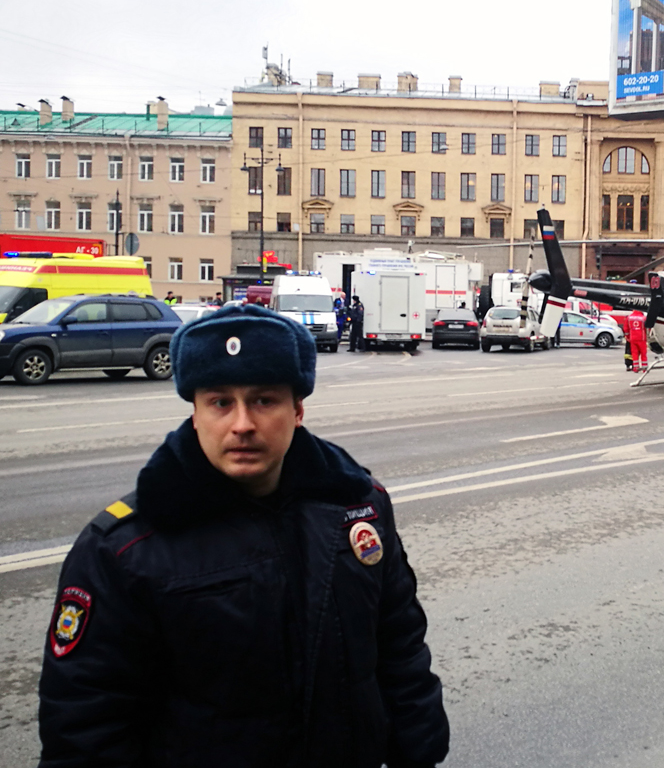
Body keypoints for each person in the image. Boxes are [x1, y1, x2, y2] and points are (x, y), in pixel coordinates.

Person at [37, 304, 450, 767]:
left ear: (297, 410)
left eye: (263, 400)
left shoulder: (357, 507)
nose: (242, 424)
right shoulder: (124, 549)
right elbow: (86, 726)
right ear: (195, 413)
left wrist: (419, 751)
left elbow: (400, 648)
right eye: (220, 402)